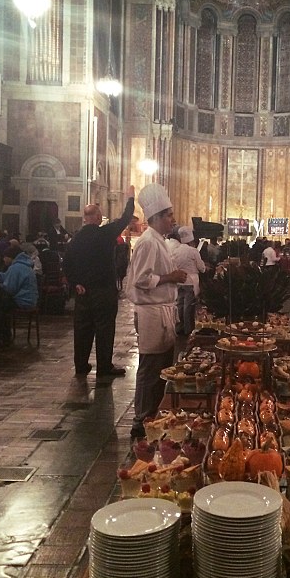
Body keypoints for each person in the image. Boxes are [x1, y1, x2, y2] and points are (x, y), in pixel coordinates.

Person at [125, 183, 187, 438]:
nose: (173, 219)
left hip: (162, 311)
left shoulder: (159, 240)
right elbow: (141, 279)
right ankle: (141, 419)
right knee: (150, 367)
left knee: (162, 366)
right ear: (158, 217)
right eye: (170, 214)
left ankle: (154, 415)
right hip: (151, 313)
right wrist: (170, 276)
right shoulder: (149, 242)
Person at [63, 187, 135, 378]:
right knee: (104, 329)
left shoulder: (75, 239)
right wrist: (130, 199)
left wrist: (74, 282)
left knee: (82, 329)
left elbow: (67, 263)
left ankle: (81, 365)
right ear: (96, 217)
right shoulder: (105, 234)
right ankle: (104, 366)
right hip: (103, 291)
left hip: (83, 293)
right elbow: (125, 218)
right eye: (100, 215)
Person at [0, 244, 40, 345]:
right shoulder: (22, 265)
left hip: (23, 301)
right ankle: (4, 334)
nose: (3, 259)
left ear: (10, 257)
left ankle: (1, 336)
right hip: (30, 299)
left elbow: (9, 289)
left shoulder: (16, 267)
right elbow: (6, 276)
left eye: (5, 257)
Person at [173, 226, 205, 335]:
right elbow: (201, 267)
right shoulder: (193, 251)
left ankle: (179, 328)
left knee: (179, 305)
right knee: (188, 307)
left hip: (179, 281)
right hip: (190, 282)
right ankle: (188, 330)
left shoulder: (176, 251)